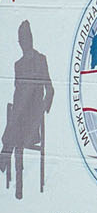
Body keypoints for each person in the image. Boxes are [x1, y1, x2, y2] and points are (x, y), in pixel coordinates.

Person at [2, 21, 53, 199]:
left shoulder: (41, 60)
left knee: (20, 110)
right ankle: (18, 184)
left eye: (25, 39)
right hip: (20, 118)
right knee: (18, 107)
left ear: (30, 39)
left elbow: (50, 90)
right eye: (21, 41)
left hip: (32, 117)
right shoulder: (18, 65)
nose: (24, 43)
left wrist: (42, 111)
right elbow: (18, 93)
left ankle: (4, 153)